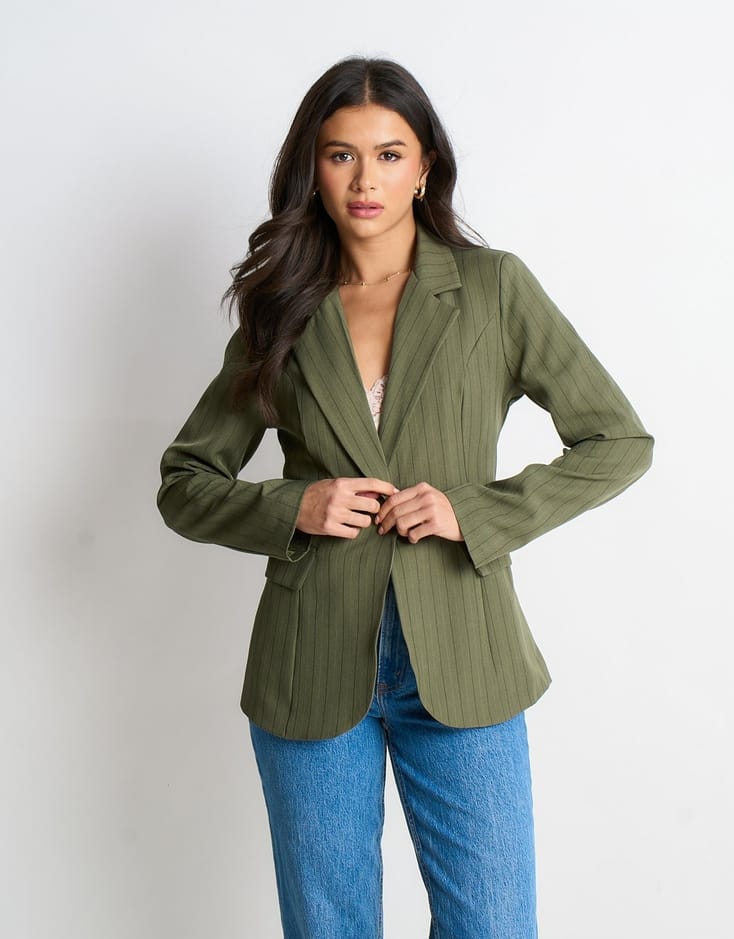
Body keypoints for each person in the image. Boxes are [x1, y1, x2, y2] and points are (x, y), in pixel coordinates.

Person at [157, 56, 653, 939]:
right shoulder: (281, 310)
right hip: (311, 659)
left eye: (389, 154)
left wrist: (478, 511)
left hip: (463, 654)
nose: (365, 180)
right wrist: (294, 507)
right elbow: (185, 481)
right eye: (341, 155)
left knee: (494, 925)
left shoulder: (493, 289)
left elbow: (618, 441)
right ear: (314, 168)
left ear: (425, 167)